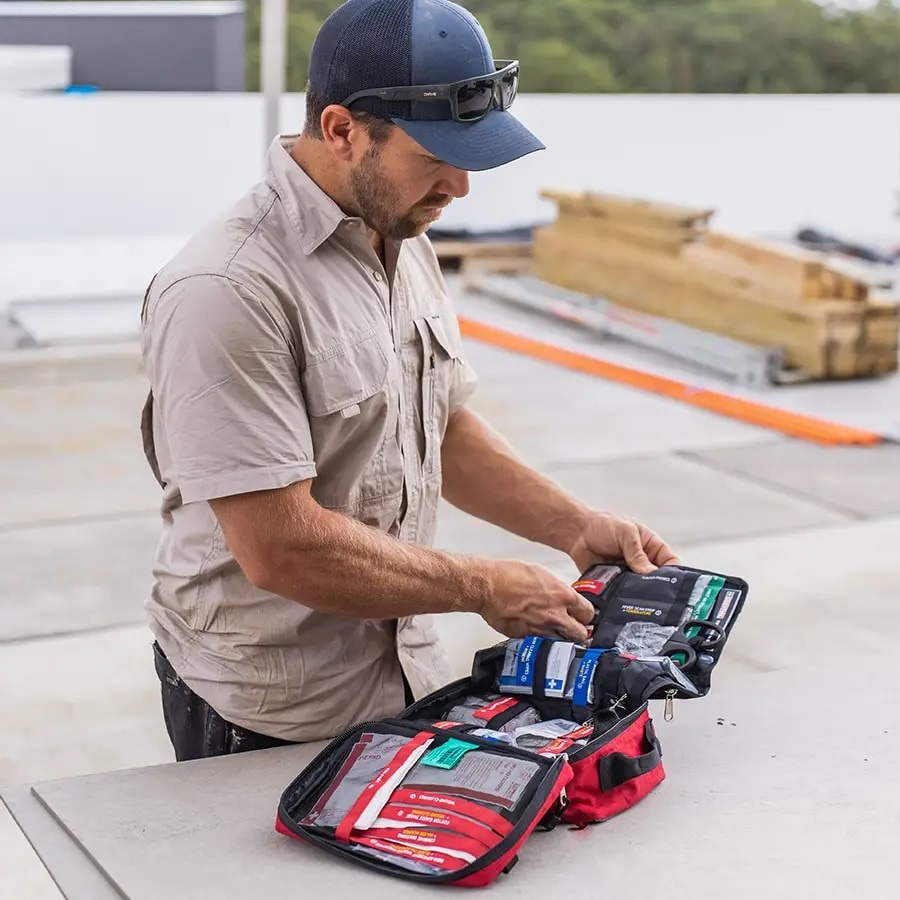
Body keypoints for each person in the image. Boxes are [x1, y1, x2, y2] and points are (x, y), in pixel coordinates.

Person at [139, 0, 679, 763]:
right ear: (341, 130)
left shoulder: (396, 226)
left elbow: (438, 426)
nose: (460, 186)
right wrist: (482, 586)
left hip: (400, 671)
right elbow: (279, 546)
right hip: (270, 707)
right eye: (435, 157)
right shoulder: (227, 288)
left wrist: (572, 526)